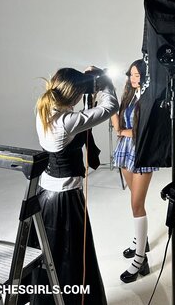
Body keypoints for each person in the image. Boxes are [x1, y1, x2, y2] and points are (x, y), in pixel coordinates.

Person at [30, 66, 118, 304]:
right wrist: (105, 83)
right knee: (72, 255)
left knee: (51, 251)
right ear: (74, 94)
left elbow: (78, 112)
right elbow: (110, 107)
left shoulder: (45, 110)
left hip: (45, 193)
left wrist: (86, 82)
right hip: (66, 197)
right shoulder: (67, 121)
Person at [112, 59, 158, 283]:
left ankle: (141, 259)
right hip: (125, 151)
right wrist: (110, 103)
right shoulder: (129, 96)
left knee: (136, 205)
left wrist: (123, 131)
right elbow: (118, 127)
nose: (133, 79)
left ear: (146, 76)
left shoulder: (150, 98)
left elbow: (142, 132)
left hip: (142, 152)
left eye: (137, 75)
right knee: (134, 200)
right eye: (131, 75)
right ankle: (141, 241)